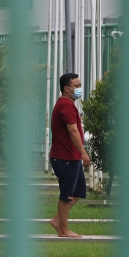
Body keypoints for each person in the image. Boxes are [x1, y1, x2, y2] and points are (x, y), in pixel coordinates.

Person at [49, 73, 91, 238]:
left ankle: (57, 220)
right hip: (65, 156)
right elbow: (72, 131)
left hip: (71, 156)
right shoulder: (65, 105)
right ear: (66, 89)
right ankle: (63, 230)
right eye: (76, 86)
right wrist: (83, 153)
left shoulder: (68, 104)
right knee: (66, 193)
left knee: (78, 190)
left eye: (80, 85)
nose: (80, 89)